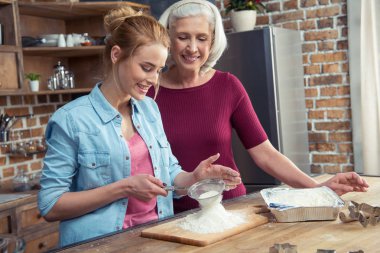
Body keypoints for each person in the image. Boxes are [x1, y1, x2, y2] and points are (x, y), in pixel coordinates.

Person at [38, 6, 241, 247]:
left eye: (159, 70)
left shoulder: (149, 110)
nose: (153, 79)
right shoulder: (70, 120)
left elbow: (170, 176)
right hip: (99, 245)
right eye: (146, 68)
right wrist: (124, 188)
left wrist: (195, 177)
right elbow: (50, 205)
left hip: (155, 238)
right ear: (116, 55)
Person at [147, 0, 369, 213]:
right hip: (172, 214)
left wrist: (318, 188)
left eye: (202, 38)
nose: (192, 47)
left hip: (228, 210)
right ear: (168, 38)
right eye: (183, 37)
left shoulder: (228, 86)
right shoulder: (148, 91)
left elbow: (265, 154)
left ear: (212, 40)